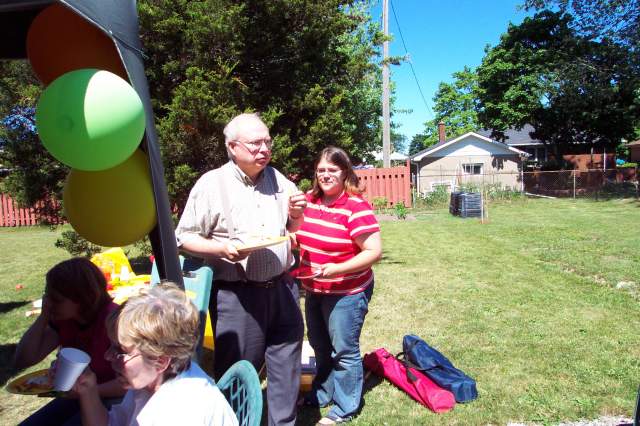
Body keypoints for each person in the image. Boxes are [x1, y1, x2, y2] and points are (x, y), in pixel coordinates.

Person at [174, 113, 307, 426]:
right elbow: (184, 237)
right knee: (239, 371)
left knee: (286, 364)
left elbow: (292, 228)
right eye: (255, 143)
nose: (264, 149)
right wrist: (221, 248)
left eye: (267, 142)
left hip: (283, 288)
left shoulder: (277, 178)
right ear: (232, 147)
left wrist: (297, 215)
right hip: (237, 297)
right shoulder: (211, 184)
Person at [295, 146, 382, 425]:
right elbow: (297, 235)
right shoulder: (310, 201)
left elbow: (373, 252)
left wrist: (336, 269)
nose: (325, 174)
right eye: (321, 170)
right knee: (320, 345)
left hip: (347, 291)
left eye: (332, 169)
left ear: (345, 172)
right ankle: (323, 393)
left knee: (344, 350)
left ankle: (345, 407)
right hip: (316, 289)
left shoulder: (355, 207)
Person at [73, 282, 238, 426]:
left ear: (161, 361)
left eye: (121, 351)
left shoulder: (180, 412)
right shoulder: (152, 380)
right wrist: (88, 390)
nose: (107, 356)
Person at [14, 257, 125, 426]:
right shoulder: (65, 320)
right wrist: (44, 316)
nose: (50, 304)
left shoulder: (115, 321)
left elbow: (130, 383)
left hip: (114, 399)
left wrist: (88, 392)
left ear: (82, 298)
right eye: (47, 297)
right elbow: (24, 359)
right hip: (78, 394)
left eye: (56, 300)